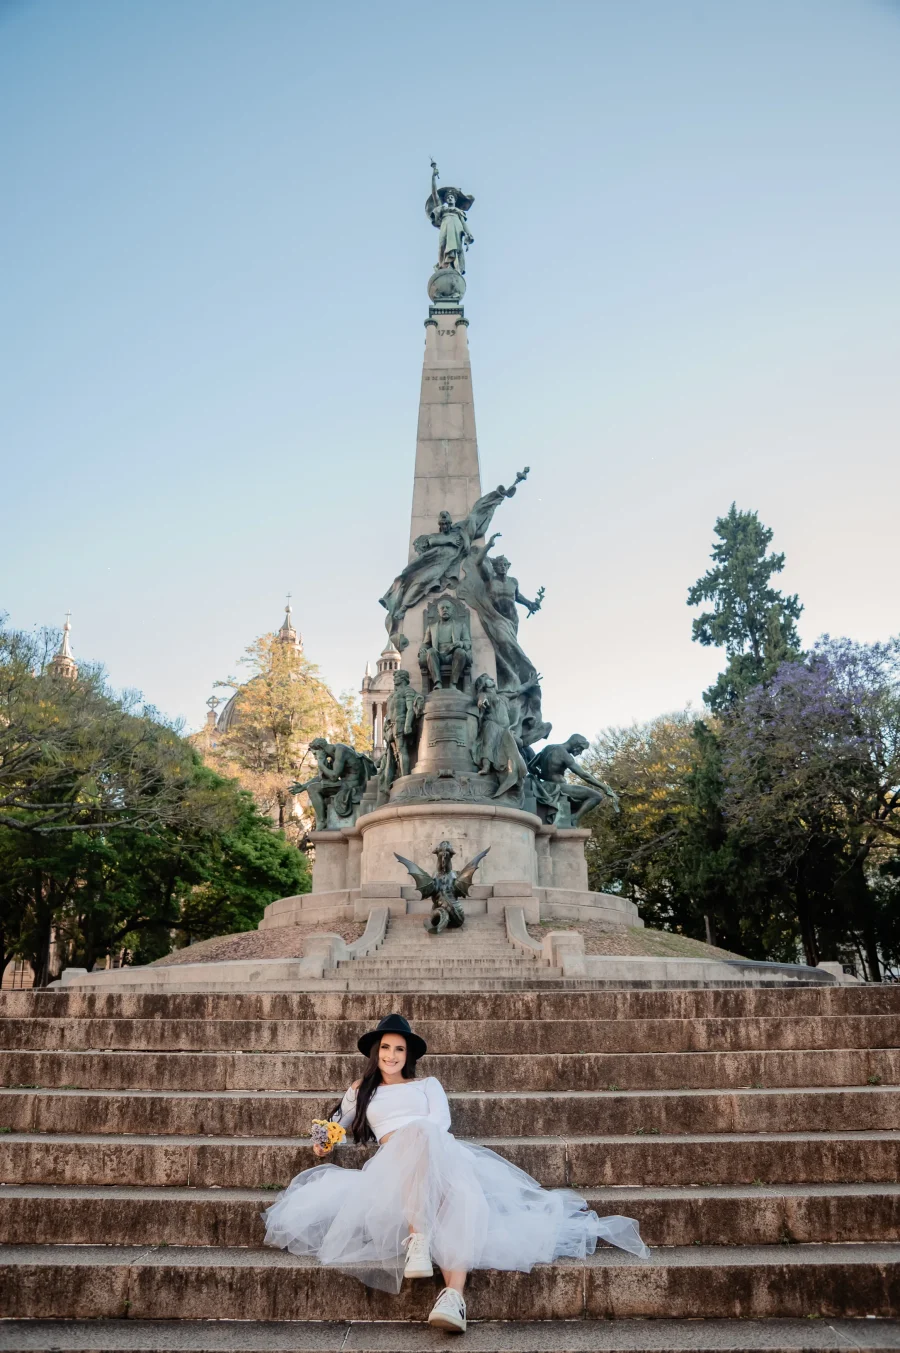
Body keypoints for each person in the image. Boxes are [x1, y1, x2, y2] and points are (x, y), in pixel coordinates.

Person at [263, 1013, 648, 1334]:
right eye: (386, 1048)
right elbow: (334, 1126)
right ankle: (431, 1259)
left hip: (439, 1156)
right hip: (391, 1172)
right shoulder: (362, 1090)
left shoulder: (429, 1084)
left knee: (455, 1193)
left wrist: (418, 1138)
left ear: (408, 1054)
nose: (392, 1055)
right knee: (436, 1174)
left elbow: (439, 1123)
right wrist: (323, 1141)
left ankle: (450, 1294)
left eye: (399, 1048)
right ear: (375, 1052)